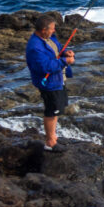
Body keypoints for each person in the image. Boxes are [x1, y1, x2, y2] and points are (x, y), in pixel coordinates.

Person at [25, 13, 75, 152]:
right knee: (51, 111)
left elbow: (57, 49)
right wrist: (65, 62)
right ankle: (50, 142)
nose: (54, 31)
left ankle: (53, 136)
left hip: (58, 80)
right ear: (43, 30)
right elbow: (45, 67)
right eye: (52, 28)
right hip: (49, 83)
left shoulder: (49, 38)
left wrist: (65, 53)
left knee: (56, 109)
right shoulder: (35, 47)